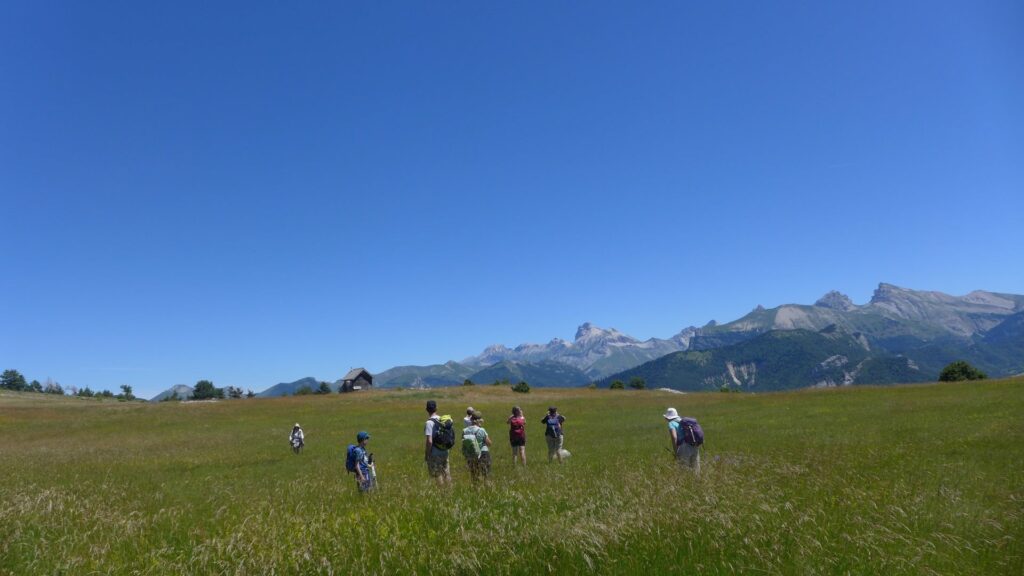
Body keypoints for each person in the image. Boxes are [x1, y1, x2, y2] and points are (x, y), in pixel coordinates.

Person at [424, 400, 453, 484]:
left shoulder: (429, 423)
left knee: (437, 474)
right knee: (446, 473)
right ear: (436, 408)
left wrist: (427, 454)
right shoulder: (443, 419)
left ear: (427, 409)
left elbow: (429, 441)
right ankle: (449, 491)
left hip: (435, 453)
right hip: (445, 450)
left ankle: (441, 492)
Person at [664, 407, 700, 474]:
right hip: (694, 446)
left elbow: (674, 437)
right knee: (695, 471)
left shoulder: (671, 423)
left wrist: (676, 451)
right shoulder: (683, 421)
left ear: (668, 417)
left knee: (684, 471)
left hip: (684, 447)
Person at [462, 410, 492, 482]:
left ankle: (476, 490)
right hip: (483, 454)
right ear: (480, 420)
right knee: (486, 476)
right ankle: (487, 491)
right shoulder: (481, 430)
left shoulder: (465, 430)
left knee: (474, 476)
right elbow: (489, 443)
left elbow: (464, 443)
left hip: (471, 455)